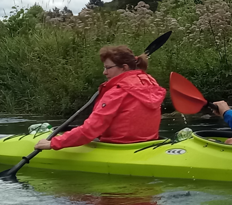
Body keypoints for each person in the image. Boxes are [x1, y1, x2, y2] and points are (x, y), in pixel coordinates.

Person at [35, 45, 166, 150]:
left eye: (108, 68)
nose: (104, 72)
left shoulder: (117, 92)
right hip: (147, 144)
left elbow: (90, 130)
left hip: (119, 146)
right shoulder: (150, 82)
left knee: (77, 132)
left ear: (124, 67)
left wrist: (53, 143)